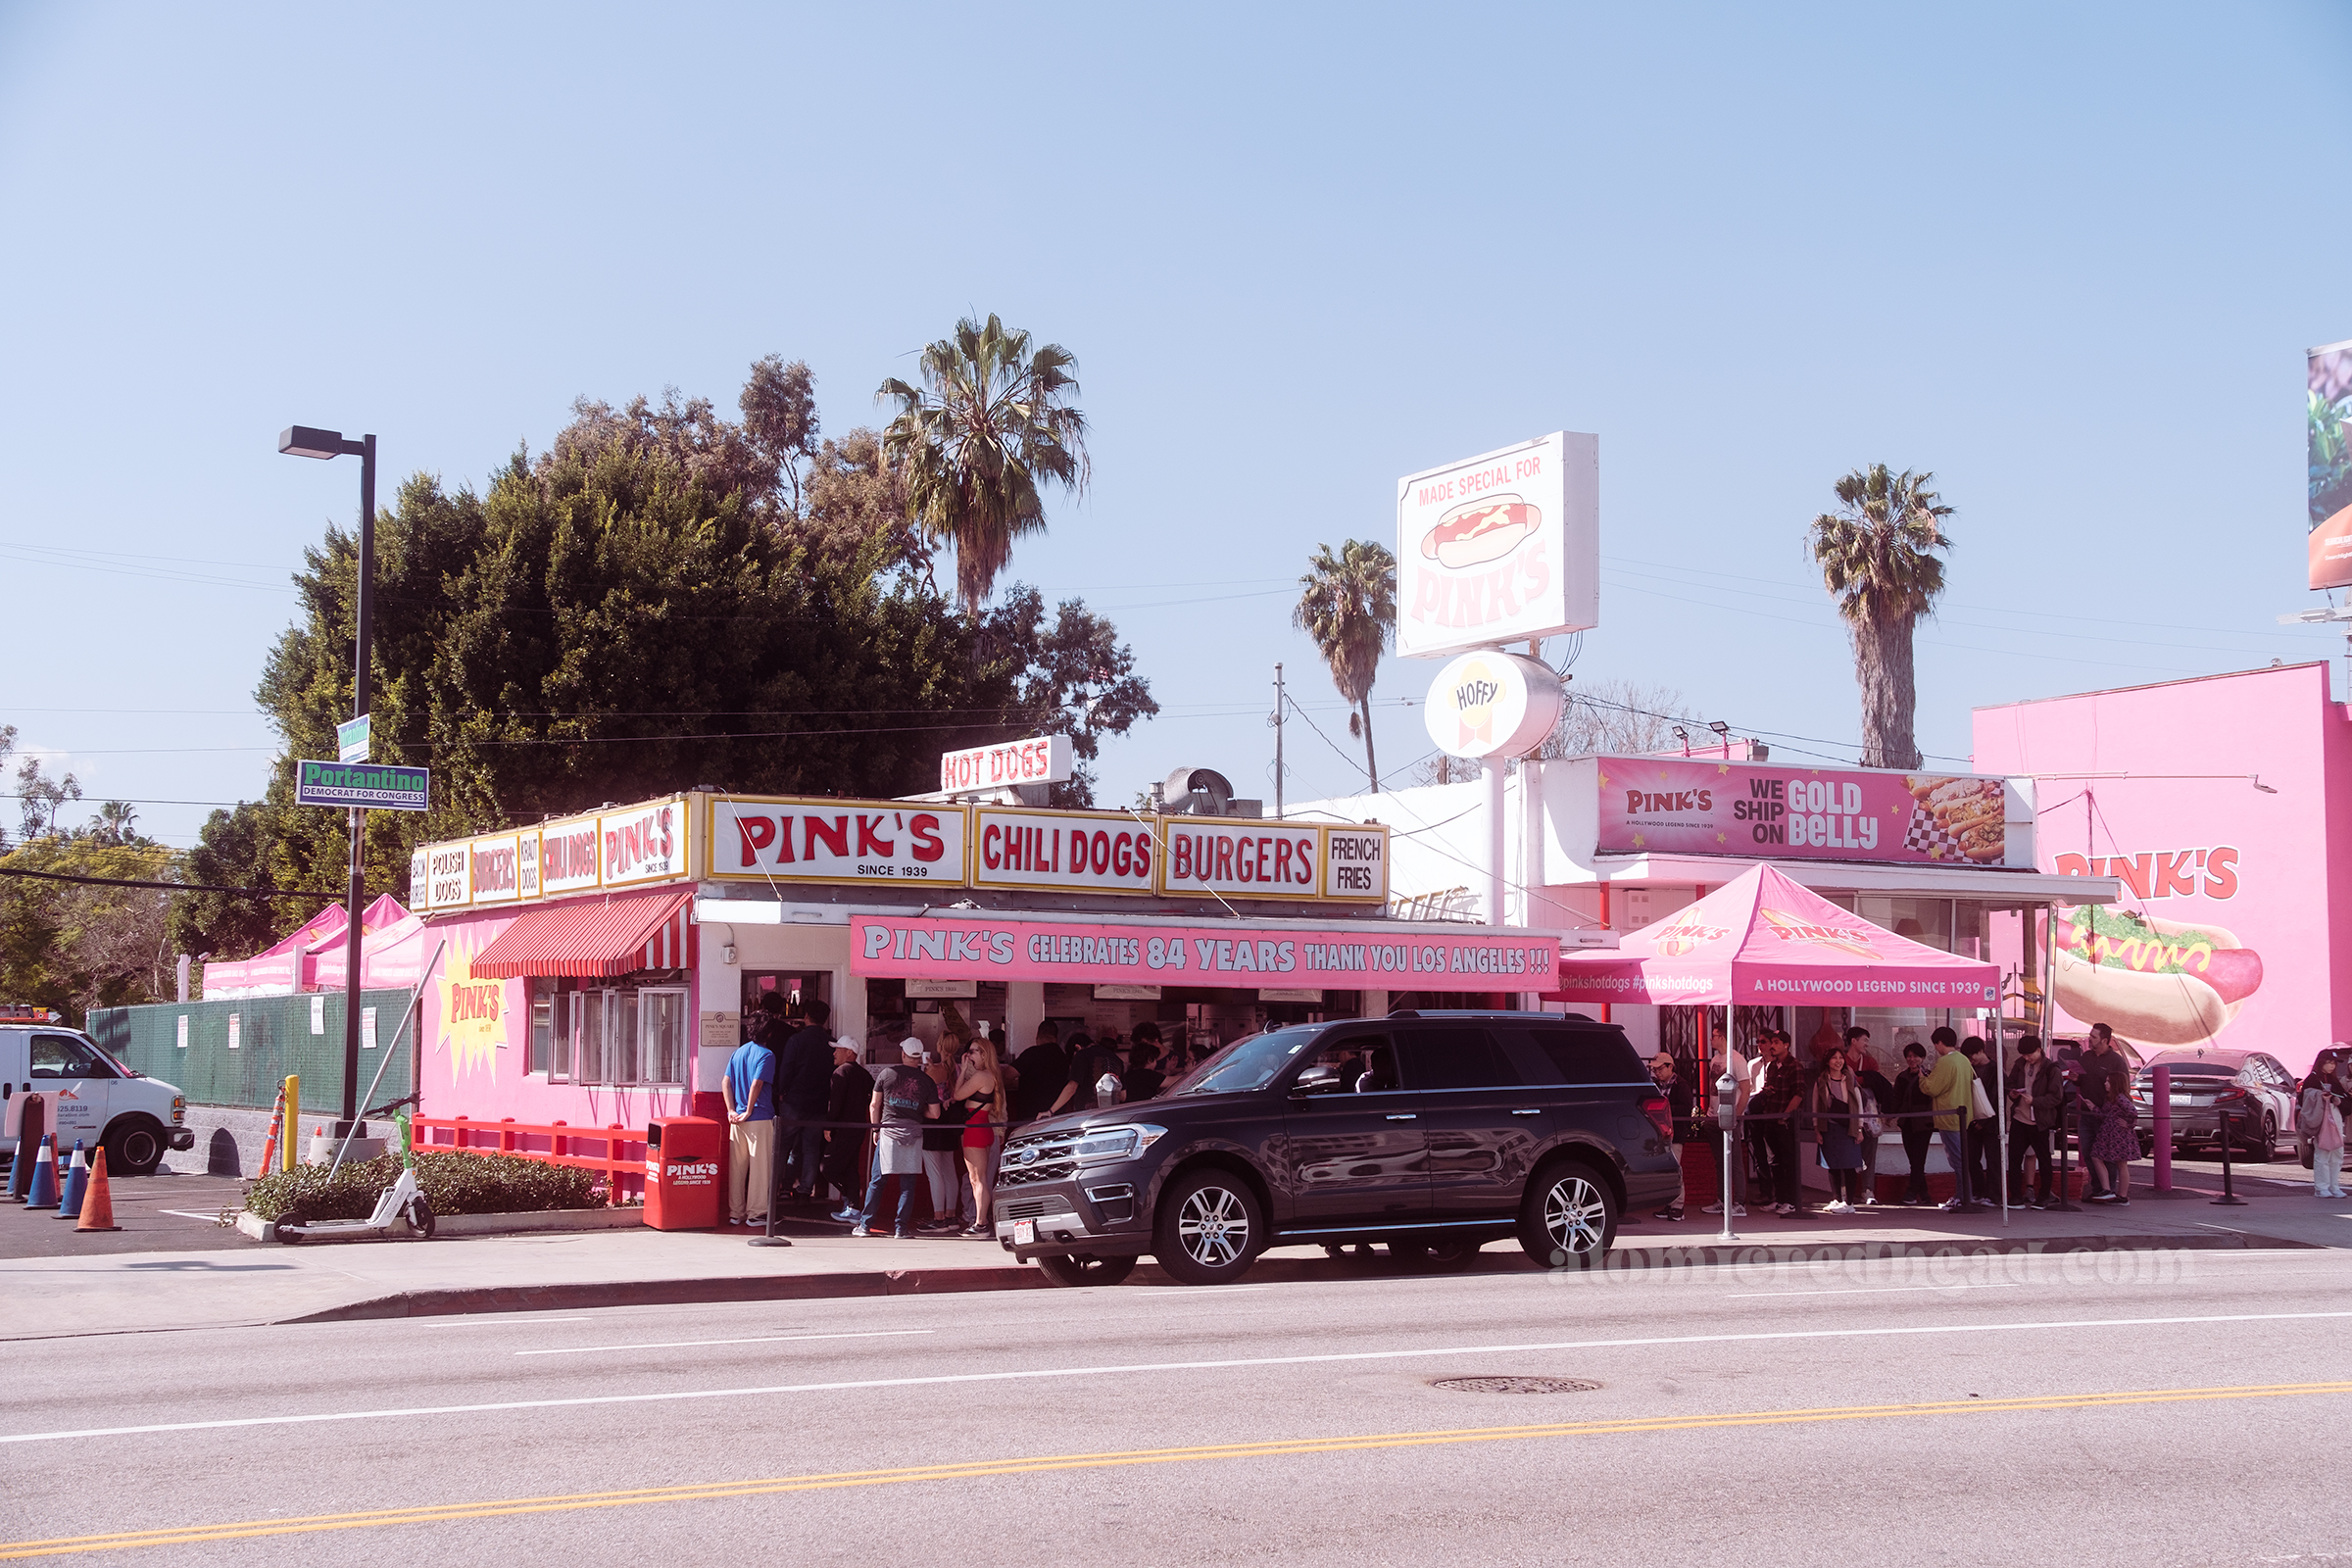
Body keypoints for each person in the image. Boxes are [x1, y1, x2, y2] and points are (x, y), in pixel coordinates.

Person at [854, 1040, 939, 1238]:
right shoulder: (927, 1080)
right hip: (914, 1133)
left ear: (903, 1054)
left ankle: (865, 1225)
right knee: (907, 1184)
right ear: (919, 1057)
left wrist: (876, 1129)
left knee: (877, 1180)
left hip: (889, 1132)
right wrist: (918, 1110)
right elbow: (935, 1114)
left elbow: (874, 1105)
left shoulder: (886, 1074)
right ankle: (901, 1228)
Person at [773, 998, 835, 1202]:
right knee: (811, 1148)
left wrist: (782, 1091)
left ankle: (778, 1187)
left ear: (806, 1016)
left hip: (794, 1101)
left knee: (784, 1146)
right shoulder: (831, 1043)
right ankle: (805, 1190)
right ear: (825, 1019)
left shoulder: (796, 1040)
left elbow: (786, 1069)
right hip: (819, 1103)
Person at [721, 1021, 776, 1228]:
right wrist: (749, 1110)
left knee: (737, 1168)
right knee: (760, 1168)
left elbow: (725, 1082)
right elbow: (757, 1083)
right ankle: (756, 1213)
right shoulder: (767, 1054)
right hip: (759, 1117)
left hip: (736, 1121)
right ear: (769, 1032)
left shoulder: (738, 1053)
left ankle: (736, 1213)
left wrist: (731, 1110)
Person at [1919, 1026, 1980, 1211]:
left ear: (1939, 1042)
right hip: (1963, 1116)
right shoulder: (1963, 1060)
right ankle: (1964, 1196)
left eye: (1936, 1044)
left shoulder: (1945, 1062)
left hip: (1949, 1116)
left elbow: (1932, 1088)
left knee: (1957, 1160)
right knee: (1961, 1158)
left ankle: (1962, 1197)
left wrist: (1922, 1078)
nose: (1936, 1048)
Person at [954, 1031, 1007, 1236]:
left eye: (973, 1052)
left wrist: (963, 1070)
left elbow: (957, 1095)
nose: (969, 1055)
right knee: (982, 1178)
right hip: (984, 1127)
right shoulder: (992, 1075)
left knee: (977, 1179)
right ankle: (981, 1221)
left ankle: (980, 1222)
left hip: (975, 1128)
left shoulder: (981, 1076)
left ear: (985, 1054)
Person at [1750, 1029, 1807, 1216]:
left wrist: (1785, 1115)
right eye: (1771, 1042)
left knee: (1788, 1161)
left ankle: (1791, 1201)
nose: (1772, 1046)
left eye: (1776, 1042)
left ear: (1786, 1045)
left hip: (1785, 1122)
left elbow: (1799, 1093)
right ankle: (1780, 1199)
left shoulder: (1795, 1066)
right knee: (1774, 1161)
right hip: (1770, 1119)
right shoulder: (1772, 1066)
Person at [917, 1037, 969, 1234]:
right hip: (950, 1122)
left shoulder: (935, 1070)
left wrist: (927, 1068)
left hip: (933, 1120)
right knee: (949, 1171)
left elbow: (923, 1092)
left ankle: (938, 1219)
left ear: (939, 1046)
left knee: (934, 1173)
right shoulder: (958, 1069)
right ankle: (951, 1215)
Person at [1699, 1021, 1750, 1218]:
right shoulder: (1714, 1060)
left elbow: (1746, 1090)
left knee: (1734, 1160)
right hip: (1714, 1116)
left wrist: (1736, 1116)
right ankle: (1722, 1199)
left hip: (1730, 1118)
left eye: (1713, 1036)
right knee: (1720, 1161)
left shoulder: (1736, 1060)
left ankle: (1739, 1202)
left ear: (1722, 1037)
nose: (1711, 1039)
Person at [2005, 1036, 2061, 1209]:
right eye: (2024, 1055)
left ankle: (2044, 1196)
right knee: (2014, 1158)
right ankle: (2015, 1196)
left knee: (2044, 1160)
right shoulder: (2019, 1065)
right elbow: (2010, 1084)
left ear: (2039, 1049)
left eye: (2029, 1055)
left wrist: (2035, 1101)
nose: (2027, 1058)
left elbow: (2056, 1097)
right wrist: (2012, 1094)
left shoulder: (2051, 1069)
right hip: (2019, 1118)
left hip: (2040, 1121)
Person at [1810, 1047, 1867, 1214]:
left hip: (1848, 1127)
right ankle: (1836, 1199)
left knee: (1849, 1165)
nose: (1838, 1061)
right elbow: (1815, 1106)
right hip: (1829, 1127)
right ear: (1827, 1061)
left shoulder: (1850, 1079)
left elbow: (1859, 1105)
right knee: (1832, 1165)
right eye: (1834, 1058)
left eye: (1840, 1057)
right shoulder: (1821, 1081)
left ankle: (1849, 1203)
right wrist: (1816, 1129)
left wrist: (1859, 1128)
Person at [824, 1038, 873, 1222]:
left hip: (843, 1129)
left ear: (850, 1053)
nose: (834, 1053)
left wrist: (828, 1126)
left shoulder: (840, 1072)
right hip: (859, 1128)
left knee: (828, 1167)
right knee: (851, 1167)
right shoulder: (865, 1074)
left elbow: (834, 1104)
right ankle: (854, 1208)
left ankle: (852, 1197)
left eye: (838, 1049)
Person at [2085, 1053, 2138, 1206]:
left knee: (2117, 1162)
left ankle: (2117, 1193)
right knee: (2100, 1157)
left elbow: (2133, 1111)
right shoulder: (2111, 1098)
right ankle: (2111, 1191)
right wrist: (2093, 1107)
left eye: (2108, 1081)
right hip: (2109, 1133)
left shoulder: (2120, 1098)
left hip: (2117, 1135)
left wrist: (2128, 1124)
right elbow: (2105, 1116)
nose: (2105, 1083)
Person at [1650, 1051, 1697, 1221]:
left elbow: (1686, 1109)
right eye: (1654, 1070)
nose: (1657, 1073)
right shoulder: (1655, 1084)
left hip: (1675, 1133)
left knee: (1675, 1169)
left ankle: (1678, 1206)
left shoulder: (1681, 1085)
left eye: (1660, 1069)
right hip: (1660, 1134)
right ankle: (1669, 1203)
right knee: (1665, 1171)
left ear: (1670, 1067)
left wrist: (1663, 1106)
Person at [1848, 1030, 1891, 1207]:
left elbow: (1875, 1082)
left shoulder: (1871, 1061)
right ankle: (1846, 1192)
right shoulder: (1841, 1059)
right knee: (1846, 1154)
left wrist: (1857, 1077)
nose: (1867, 1044)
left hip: (1870, 1114)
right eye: (1864, 1040)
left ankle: (1868, 1190)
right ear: (1853, 1041)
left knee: (1869, 1154)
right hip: (1847, 1114)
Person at [1889, 1042, 1936, 1204]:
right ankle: (1924, 1194)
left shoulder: (1929, 1076)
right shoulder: (1901, 1077)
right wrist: (1891, 1115)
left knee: (1918, 1159)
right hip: (1907, 1123)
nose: (1912, 1059)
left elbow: (1932, 1098)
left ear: (1922, 1058)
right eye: (1909, 1056)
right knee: (1914, 1159)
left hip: (1924, 1124)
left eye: (1915, 1056)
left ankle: (1911, 1193)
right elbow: (1896, 1098)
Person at [2300, 1053, 2348, 1200]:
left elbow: (2344, 1101)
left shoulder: (2333, 1079)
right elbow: (2304, 1099)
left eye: (2334, 1063)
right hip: (2322, 1118)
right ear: (2321, 1063)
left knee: (2337, 1152)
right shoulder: (2313, 1079)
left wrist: (2337, 1099)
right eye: (2329, 1062)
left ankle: (2334, 1186)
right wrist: (2321, 1097)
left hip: (2336, 1117)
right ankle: (2321, 1187)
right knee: (2323, 1152)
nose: (2332, 1066)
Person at [1963, 1038, 2001, 1201]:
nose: (1971, 1061)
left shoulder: (1996, 1069)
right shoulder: (1968, 1069)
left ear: (1981, 1051)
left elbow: (1996, 1097)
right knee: (1971, 1158)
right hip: (1972, 1120)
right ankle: (1978, 1191)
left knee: (1993, 1160)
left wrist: (1983, 1121)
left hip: (1991, 1122)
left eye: (1972, 1057)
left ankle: (1994, 1195)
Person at [1052, 1031, 1121, 1116]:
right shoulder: (1116, 1059)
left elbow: (1071, 1088)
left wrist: (1051, 1111)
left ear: (1077, 1047)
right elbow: (1123, 1095)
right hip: (1112, 1117)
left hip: (1087, 1117)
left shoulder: (1081, 1055)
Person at [1010, 1023, 1066, 1124]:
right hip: (1057, 1114)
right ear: (1056, 1037)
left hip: (1031, 1113)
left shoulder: (1031, 1053)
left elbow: (1008, 1074)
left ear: (1038, 1035)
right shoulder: (1064, 1057)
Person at [1125, 1022, 1168, 1102]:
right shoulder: (1147, 1075)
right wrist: (1192, 1072)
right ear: (1149, 1060)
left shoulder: (1129, 1073)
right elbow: (1170, 1081)